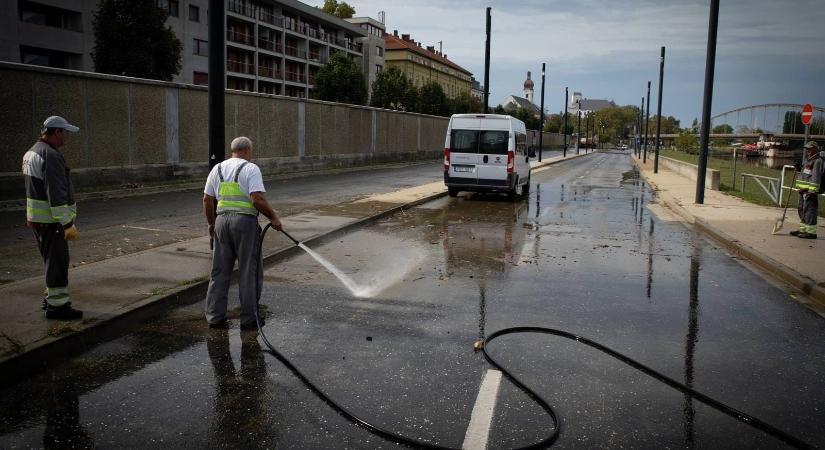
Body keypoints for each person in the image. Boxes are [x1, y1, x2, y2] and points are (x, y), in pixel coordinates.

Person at [203, 137, 282, 330]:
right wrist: (273, 218)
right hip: (244, 224)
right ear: (247, 150)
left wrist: (212, 224)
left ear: (233, 150)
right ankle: (249, 319)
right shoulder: (250, 169)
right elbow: (256, 199)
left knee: (219, 271)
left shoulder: (217, 169)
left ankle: (214, 317)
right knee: (249, 271)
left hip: (221, 221)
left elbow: (206, 199)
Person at [23, 116, 82, 320]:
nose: (67, 137)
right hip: (52, 221)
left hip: (38, 219)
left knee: (50, 260)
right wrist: (67, 222)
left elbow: (34, 190)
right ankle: (58, 307)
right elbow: (55, 193)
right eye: (65, 132)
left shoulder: (32, 152)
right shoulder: (51, 155)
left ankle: (50, 299)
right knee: (58, 261)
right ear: (56, 132)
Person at [792, 141, 823, 239]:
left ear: (816, 149)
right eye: (807, 149)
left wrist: (812, 191)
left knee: (810, 211)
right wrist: (798, 168)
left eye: (810, 149)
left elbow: (816, 177)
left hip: (809, 191)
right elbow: (805, 174)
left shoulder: (818, 161)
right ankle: (803, 230)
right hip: (802, 190)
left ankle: (811, 233)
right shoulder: (808, 160)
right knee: (802, 209)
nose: (808, 151)